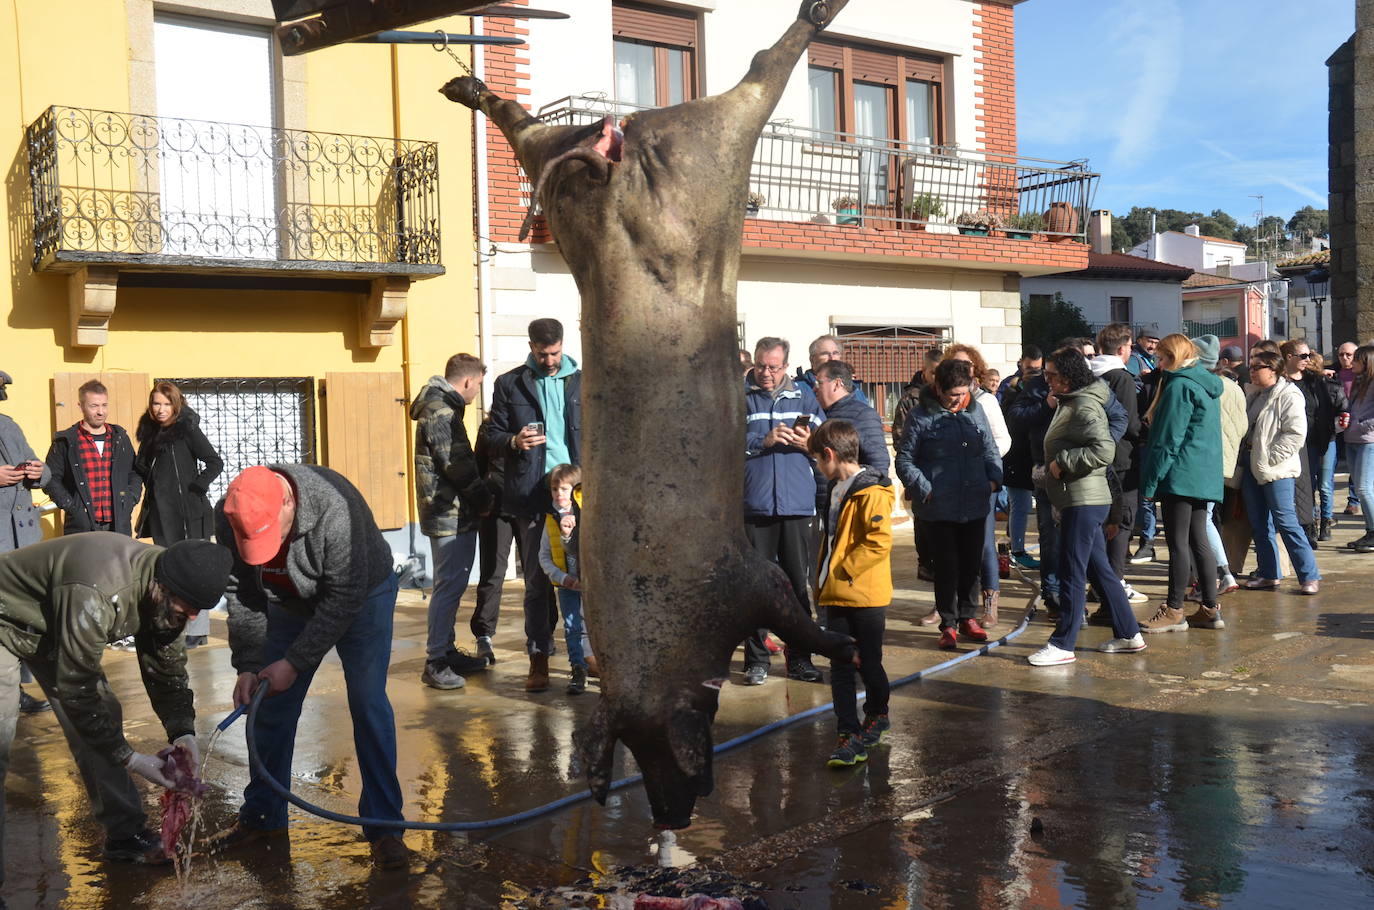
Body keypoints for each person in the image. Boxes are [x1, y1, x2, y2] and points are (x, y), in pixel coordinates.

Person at [208, 465, 411, 869]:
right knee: (267, 706)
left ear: (288, 502)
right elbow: (243, 590)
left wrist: (295, 662)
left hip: (362, 596)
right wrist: (248, 664)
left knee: (368, 703)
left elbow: (344, 598)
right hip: (287, 602)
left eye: (272, 534)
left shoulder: (335, 510)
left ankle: (385, 827)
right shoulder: (229, 511)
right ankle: (263, 817)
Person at [0, 534, 230, 881]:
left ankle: (125, 834)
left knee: (103, 713)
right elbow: (77, 688)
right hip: (5, 618)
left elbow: (165, 670)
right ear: (163, 588)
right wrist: (132, 759)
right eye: (189, 606)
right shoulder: (100, 590)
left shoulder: (171, 586)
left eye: (200, 609)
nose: (194, 615)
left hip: (50, 624)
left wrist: (183, 733)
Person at [1026, 348, 1144, 665]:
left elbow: (1104, 449)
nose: (1045, 379)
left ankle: (1063, 644)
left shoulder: (1083, 406)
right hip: (1080, 498)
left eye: (1050, 375)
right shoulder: (1073, 401)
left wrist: (1061, 464)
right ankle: (1129, 634)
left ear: (1067, 378)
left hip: (1084, 499)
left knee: (1072, 571)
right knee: (1100, 570)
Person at [486, 318, 582, 693]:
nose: (549, 360)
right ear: (531, 346)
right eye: (542, 354)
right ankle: (538, 658)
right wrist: (512, 441)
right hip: (531, 495)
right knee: (537, 584)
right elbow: (491, 435)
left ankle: (587, 653)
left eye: (555, 352)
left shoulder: (582, 381)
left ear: (562, 345)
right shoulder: (509, 383)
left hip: (577, 492)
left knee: (585, 574)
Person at [895, 359, 1000, 650]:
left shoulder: (975, 411)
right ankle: (949, 623)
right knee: (946, 568)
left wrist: (993, 481)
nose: (958, 400)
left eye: (963, 393)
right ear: (938, 387)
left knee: (971, 564)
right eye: (952, 395)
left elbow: (990, 449)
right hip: (938, 507)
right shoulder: (920, 415)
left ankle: (969, 617)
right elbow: (904, 460)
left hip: (974, 502)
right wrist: (925, 488)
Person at [808, 420, 894, 768]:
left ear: (829, 454)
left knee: (870, 662)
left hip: (865, 596)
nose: (817, 467)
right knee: (842, 665)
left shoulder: (872, 492)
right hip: (835, 593)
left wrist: (843, 570)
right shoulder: (836, 488)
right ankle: (848, 733)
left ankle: (878, 715)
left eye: (817, 460)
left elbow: (877, 542)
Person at [742, 337, 826, 684]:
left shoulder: (804, 397)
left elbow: (826, 441)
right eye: (760, 365)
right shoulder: (740, 398)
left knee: (796, 587)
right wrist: (762, 441)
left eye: (773, 367)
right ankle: (756, 661)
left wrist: (810, 444)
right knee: (755, 588)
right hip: (755, 506)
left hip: (796, 506)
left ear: (785, 367)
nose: (765, 373)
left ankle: (800, 659)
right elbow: (725, 442)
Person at [410, 354, 494, 690]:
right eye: (477, 388)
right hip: (449, 511)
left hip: (449, 509)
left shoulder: (439, 405)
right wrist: (483, 498)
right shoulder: (443, 411)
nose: (475, 396)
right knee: (448, 586)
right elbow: (455, 463)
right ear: (469, 382)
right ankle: (436, 661)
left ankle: (446, 649)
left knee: (453, 585)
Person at [1137, 334, 1225, 633]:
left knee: (1177, 543)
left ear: (1174, 357)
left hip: (1181, 474)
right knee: (1198, 540)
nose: (1158, 364)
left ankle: (1174, 609)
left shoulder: (1179, 385)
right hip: (1202, 473)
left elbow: (1167, 440)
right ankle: (1211, 608)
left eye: (1161, 358)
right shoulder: (1204, 382)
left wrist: (1150, 483)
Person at [134, 382, 224, 648]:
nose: (161, 409)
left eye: (166, 404)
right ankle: (172, 626)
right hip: (161, 513)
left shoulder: (187, 430)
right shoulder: (149, 433)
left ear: (176, 405)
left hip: (189, 512)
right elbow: (143, 468)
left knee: (196, 570)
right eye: (156, 404)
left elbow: (214, 461)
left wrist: (197, 486)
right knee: (168, 572)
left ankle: (197, 630)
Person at [1239, 352, 1321, 594]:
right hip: (1251, 465)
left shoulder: (1289, 394)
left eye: (1257, 367)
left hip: (1277, 470)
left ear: (1273, 369)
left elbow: (1295, 434)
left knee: (1286, 522)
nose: (1252, 371)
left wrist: (1269, 458)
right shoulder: (1254, 394)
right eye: (1251, 366)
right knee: (1259, 524)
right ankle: (1268, 573)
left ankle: (1309, 575)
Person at [943, 344, 1010, 627]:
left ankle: (990, 601)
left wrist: (989, 473)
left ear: (976, 368)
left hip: (980, 482)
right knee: (950, 546)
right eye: (956, 364)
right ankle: (948, 606)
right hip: (949, 484)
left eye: (967, 365)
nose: (962, 369)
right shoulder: (939, 401)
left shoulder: (985, 401)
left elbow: (1003, 441)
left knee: (983, 544)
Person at [0, 370, 53, 713]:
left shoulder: (9, 425)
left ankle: (16, 690)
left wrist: (37, 471)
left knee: (22, 615)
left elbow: (44, 470)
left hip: (23, 538)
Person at [1088, 324, 1148, 609]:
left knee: (1100, 523)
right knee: (1121, 522)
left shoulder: (1088, 374)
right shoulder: (1121, 379)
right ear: (1124, 349)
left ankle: (1099, 583)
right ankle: (1113, 584)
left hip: (1095, 458)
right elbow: (1128, 423)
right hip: (1121, 460)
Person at [44, 380, 141, 535]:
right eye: (94, 406)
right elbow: (50, 478)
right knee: (81, 561)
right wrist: (71, 506)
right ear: (81, 406)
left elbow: (134, 472)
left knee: (118, 561)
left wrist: (131, 498)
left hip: (118, 524)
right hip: (81, 525)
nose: (100, 412)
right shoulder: (66, 441)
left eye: (104, 405)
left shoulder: (120, 438)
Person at [1280, 341, 1346, 544]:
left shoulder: (1315, 380)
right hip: (1292, 442)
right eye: (1303, 356)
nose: (1307, 359)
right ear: (1289, 357)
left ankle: (1318, 522)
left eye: (1308, 355)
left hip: (1316, 439)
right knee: (1302, 487)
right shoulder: (1281, 382)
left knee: (1319, 484)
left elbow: (1326, 406)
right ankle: (1306, 527)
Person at [537, 465, 593, 694]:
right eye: (554, 489)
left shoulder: (587, 515)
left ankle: (599, 663)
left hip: (590, 587)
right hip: (567, 586)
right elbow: (544, 556)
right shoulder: (550, 519)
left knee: (593, 626)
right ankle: (578, 668)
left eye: (564, 489)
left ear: (577, 490)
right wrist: (562, 577)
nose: (559, 494)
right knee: (572, 627)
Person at [472, 416, 520, 666]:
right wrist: (484, 501)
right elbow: (478, 466)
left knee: (538, 573)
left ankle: (543, 638)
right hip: (496, 508)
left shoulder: (531, 422)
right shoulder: (489, 428)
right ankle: (484, 635)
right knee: (493, 571)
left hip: (527, 506)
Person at [811, 360, 888, 477]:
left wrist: (859, 491)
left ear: (837, 384)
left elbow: (878, 464)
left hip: (850, 492)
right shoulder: (817, 414)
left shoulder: (863, 415)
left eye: (819, 383)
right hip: (822, 493)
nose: (814, 389)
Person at [1342, 345, 1374, 552]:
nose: (1351, 362)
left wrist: (1359, 425)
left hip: (1367, 441)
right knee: (1364, 490)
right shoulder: (1359, 383)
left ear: (1366, 362)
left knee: (1363, 488)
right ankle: (1370, 531)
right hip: (1352, 440)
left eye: (1356, 359)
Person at [795, 335, 869, 405]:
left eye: (835, 353)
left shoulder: (853, 388)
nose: (832, 358)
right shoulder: (799, 388)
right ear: (812, 359)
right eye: (825, 354)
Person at [1335, 341, 1361, 516]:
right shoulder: (1333, 374)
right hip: (1337, 425)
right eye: (1341, 354)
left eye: (1348, 355)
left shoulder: (1363, 375)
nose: (1344, 358)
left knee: (1356, 466)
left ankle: (1353, 501)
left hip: (1358, 426)